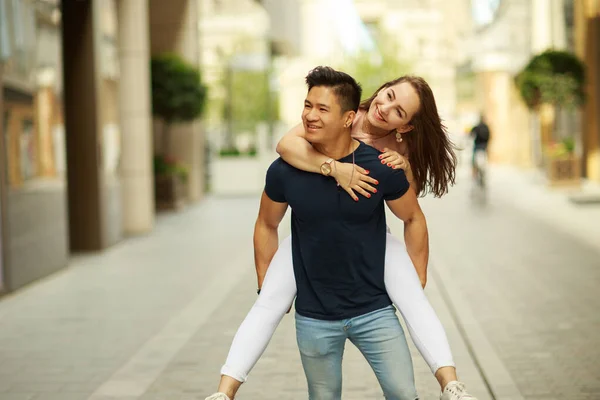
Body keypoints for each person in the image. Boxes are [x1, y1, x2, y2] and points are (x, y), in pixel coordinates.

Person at [206, 71, 478, 400]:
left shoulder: (393, 151)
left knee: (412, 299)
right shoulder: (338, 113)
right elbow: (285, 146)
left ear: (404, 126)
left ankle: (451, 384)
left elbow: (410, 210)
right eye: (388, 95)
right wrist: (335, 168)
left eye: (398, 111)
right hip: (313, 230)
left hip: (367, 231)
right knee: (268, 303)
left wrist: (417, 274)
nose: (385, 107)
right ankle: (224, 392)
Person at [470, 115, 490, 179]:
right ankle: (484, 171)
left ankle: (474, 174)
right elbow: (489, 136)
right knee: (485, 159)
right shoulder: (486, 127)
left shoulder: (476, 127)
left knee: (473, 160)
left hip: (477, 146)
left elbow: (471, 134)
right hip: (484, 146)